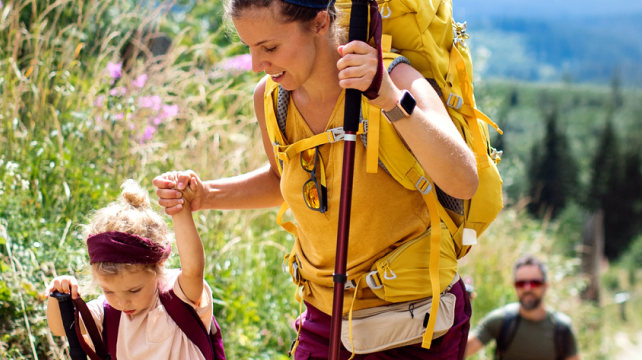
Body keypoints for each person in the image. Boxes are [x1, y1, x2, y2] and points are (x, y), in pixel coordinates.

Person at [151, 0, 481, 357]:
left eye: (270, 48)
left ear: (321, 23)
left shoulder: (394, 77)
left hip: (413, 322)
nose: (256, 65)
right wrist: (207, 195)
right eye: (249, 48)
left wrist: (387, 97)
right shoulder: (271, 98)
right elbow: (283, 178)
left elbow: (463, 181)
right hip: (325, 318)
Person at [43, 180, 218, 359]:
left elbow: (193, 270)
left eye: (134, 290)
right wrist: (59, 295)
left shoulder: (179, 297)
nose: (122, 302)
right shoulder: (107, 314)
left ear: (159, 265)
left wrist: (178, 209)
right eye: (108, 291)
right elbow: (61, 327)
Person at [464, 255, 579, 360]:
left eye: (534, 283)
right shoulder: (501, 321)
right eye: (521, 283)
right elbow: (459, 351)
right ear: (515, 286)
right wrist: (459, 307)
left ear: (546, 286)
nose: (527, 288)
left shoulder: (561, 328)